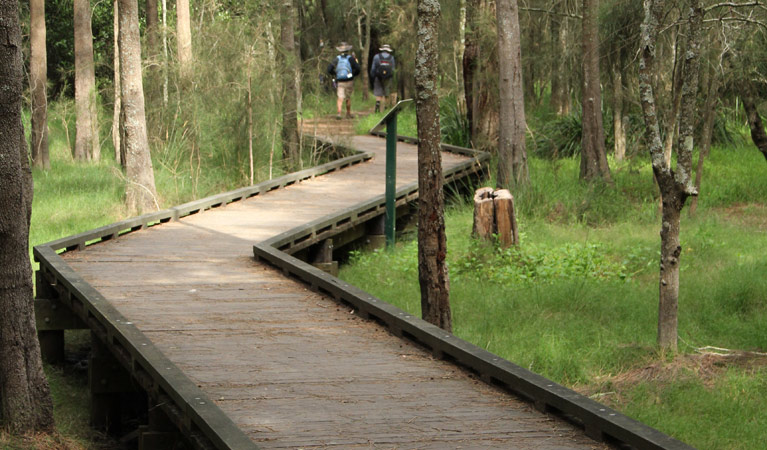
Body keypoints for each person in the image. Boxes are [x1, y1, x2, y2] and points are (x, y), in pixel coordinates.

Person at [327, 42, 361, 120]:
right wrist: (353, 75)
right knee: (348, 97)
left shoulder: (337, 58)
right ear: (348, 50)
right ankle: (348, 113)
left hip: (340, 81)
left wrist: (335, 74)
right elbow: (358, 68)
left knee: (340, 97)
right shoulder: (351, 58)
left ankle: (339, 113)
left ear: (340, 51)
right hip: (349, 81)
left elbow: (329, 69)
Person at [370, 44, 396, 113]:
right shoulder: (391, 58)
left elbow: (373, 69)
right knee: (386, 93)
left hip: (378, 77)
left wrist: (373, 77)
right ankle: (386, 109)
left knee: (378, 93)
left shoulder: (376, 57)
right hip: (388, 78)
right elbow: (393, 69)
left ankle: (377, 107)